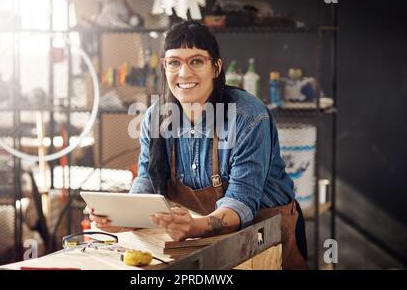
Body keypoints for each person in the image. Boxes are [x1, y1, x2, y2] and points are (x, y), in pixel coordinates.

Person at [89, 21, 308, 269]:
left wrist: (194, 226)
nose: (184, 73)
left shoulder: (247, 117)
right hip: (203, 242)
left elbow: (241, 202)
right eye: (174, 62)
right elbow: (147, 184)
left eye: (196, 61)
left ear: (216, 67)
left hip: (267, 238)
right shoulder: (155, 117)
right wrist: (122, 218)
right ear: (164, 67)